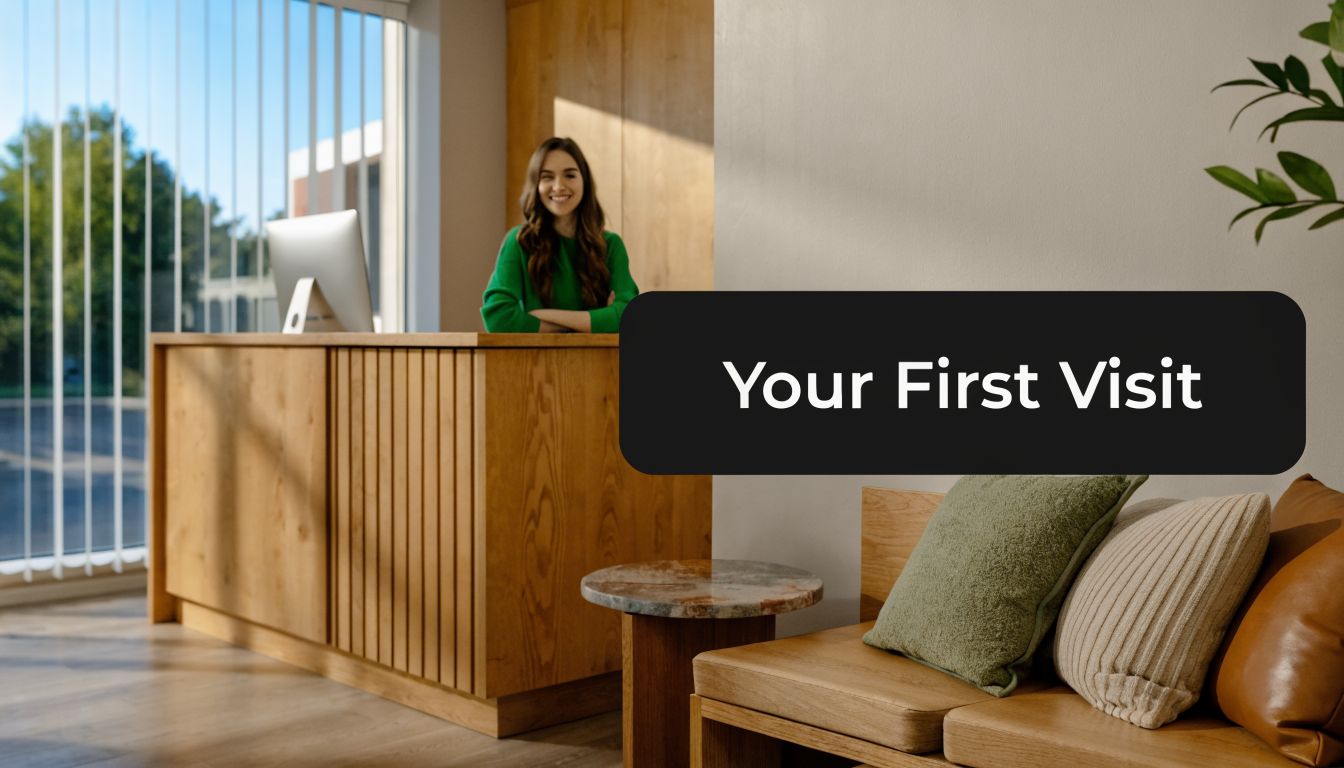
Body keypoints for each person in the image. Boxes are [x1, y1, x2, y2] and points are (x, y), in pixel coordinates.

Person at [480, 137, 638, 333]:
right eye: (547, 177)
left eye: (570, 175)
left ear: (585, 181)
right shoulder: (519, 242)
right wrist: (596, 322)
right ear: (535, 184)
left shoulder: (611, 245)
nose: (559, 186)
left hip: (601, 363)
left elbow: (628, 316)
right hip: (533, 363)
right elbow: (498, 318)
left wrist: (544, 316)